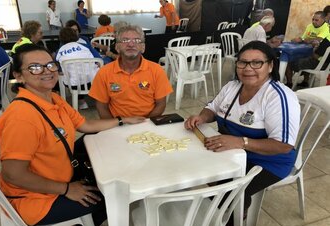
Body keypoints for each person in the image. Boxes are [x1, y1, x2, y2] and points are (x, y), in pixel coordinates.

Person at [0, 44, 145, 226]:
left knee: (103, 165)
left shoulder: (53, 99)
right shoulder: (22, 118)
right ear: (19, 76)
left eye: (51, 65)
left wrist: (122, 120)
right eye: (35, 67)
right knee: (117, 195)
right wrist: (66, 189)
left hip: (57, 176)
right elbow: (13, 175)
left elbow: (86, 126)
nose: (47, 71)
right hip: (33, 198)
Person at [184, 41, 300, 213]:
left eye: (257, 63)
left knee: (228, 196)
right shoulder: (232, 86)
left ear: (270, 66)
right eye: (243, 62)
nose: (248, 68)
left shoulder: (279, 97)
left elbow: (283, 145)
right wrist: (201, 117)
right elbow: (212, 108)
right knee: (190, 164)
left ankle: (232, 216)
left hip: (267, 161)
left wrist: (241, 142)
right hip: (234, 152)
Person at [89, 24, 173, 118]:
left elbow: (161, 104)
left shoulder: (157, 70)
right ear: (117, 47)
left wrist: (146, 125)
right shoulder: (104, 72)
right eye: (125, 40)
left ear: (143, 47)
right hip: (117, 124)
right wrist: (114, 126)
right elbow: (101, 106)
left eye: (137, 40)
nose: (131, 44)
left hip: (148, 124)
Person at [56, 27, 104, 109]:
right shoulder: (85, 47)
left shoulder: (59, 51)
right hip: (92, 82)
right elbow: (98, 59)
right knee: (89, 73)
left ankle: (81, 102)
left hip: (73, 85)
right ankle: (100, 100)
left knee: (70, 76)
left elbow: (59, 69)